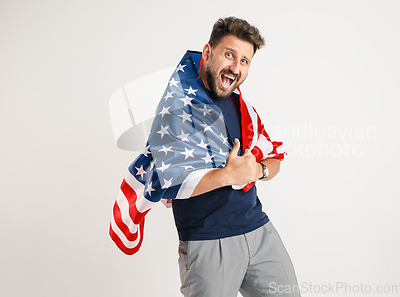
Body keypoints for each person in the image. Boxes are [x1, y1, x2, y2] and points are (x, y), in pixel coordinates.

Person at [110, 17, 300, 296]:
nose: (235, 67)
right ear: (208, 52)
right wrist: (228, 175)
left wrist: (257, 171)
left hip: (259, 231)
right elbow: (169, 181)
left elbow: (274, 157)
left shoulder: (242, 106)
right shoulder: (177, 109)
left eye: (244, 61)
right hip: (209, 242)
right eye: (229, 54)